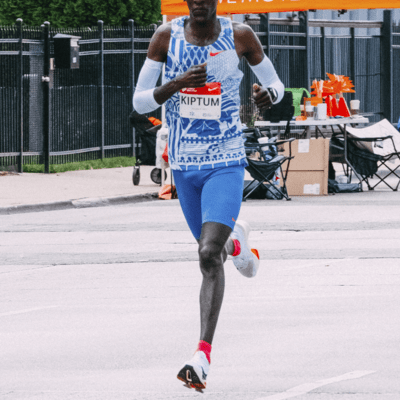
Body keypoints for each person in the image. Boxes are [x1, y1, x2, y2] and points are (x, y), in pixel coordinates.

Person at [133, 0, 284, 390]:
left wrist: (268, 95)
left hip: (226, 160)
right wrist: (177, 84)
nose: (199, 3)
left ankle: (201, 356)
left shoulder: (240, 36)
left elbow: (276, 86)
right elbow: (139, 101)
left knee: (205, 254)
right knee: (213, 249)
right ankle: (238, 247)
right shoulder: (166, 37)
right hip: (184, 166)